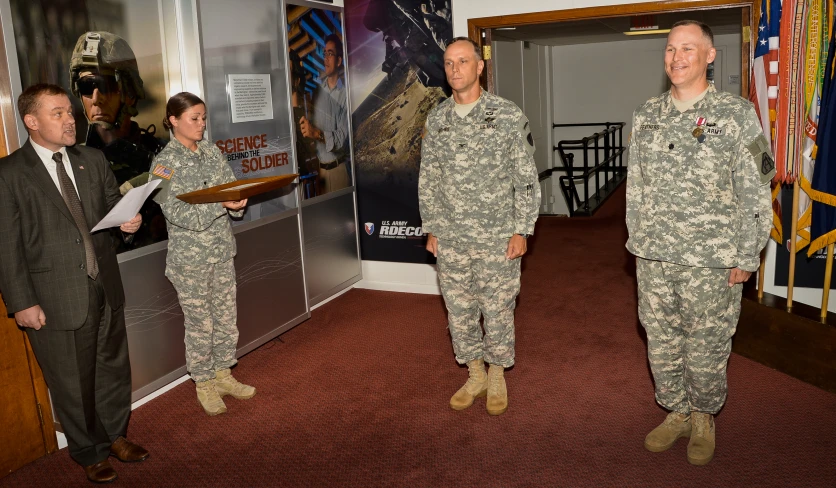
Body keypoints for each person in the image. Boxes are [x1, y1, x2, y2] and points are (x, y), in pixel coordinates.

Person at [626, 21, 773, 465]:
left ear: (710, 56)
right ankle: (675, 411)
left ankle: (704, 415)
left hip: (711, 260)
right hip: (653, 255)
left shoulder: (735, 113)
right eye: (670, 49)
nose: (676, 57)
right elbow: (636, 185)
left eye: (688, 49)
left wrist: (747, 254)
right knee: (661, 339)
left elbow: (755, 189)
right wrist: (636, 242)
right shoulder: (647, 114)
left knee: (706, 343)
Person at [0, 84, 147, 484]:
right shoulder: (10, 174)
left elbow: (111, 212)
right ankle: (89, 450)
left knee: (113, 369)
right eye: (58, 113)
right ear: (31, 122)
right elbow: (6, 247)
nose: (70, 119)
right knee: (71, 380)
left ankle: (116, 435)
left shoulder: (92, 159)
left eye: (70, 112)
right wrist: (21, 302)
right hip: (54, 296)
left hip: (104, 285)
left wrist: (128, 224)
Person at [418, 37, 540, 416]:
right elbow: (429, 179)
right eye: (450, 63)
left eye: (463, 62)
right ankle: (474, 372)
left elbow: (526, 179)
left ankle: (497, 372)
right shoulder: (436, 119)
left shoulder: (506, 115)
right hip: (451, 237)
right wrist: (432, 228)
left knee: (498, 308)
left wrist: (522, 229)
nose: (456, 70)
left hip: (497, 236)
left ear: (479, 66)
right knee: (459, 309)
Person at [150, 92, 255, 416]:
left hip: (221, 250)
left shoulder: (211, 151)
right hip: (190, 260)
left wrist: (237, 202)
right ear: (173, 120)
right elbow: (175, 213)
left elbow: (228, 188)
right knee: (201, 325)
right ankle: (204, 382)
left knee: (226, 319)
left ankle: (224, 374)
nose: (201, 124)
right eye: (194, 118)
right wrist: (220, 204)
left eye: (203, 118)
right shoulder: (163, 165)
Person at [69, 31, 168, 248]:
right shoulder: (71, 164)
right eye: (86, 86)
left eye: (106, 85)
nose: (96, 99)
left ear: (129, 93)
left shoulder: (164, 154)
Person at [299, 33, 350, 195]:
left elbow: (341, 137)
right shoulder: (317, 94)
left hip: (339, 170)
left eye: (330, 54)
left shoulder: (346, 95)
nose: (326, 58)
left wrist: (316, 133)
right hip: (321, 170)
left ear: (339, 61)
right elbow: (313, 134)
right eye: (324, 54)